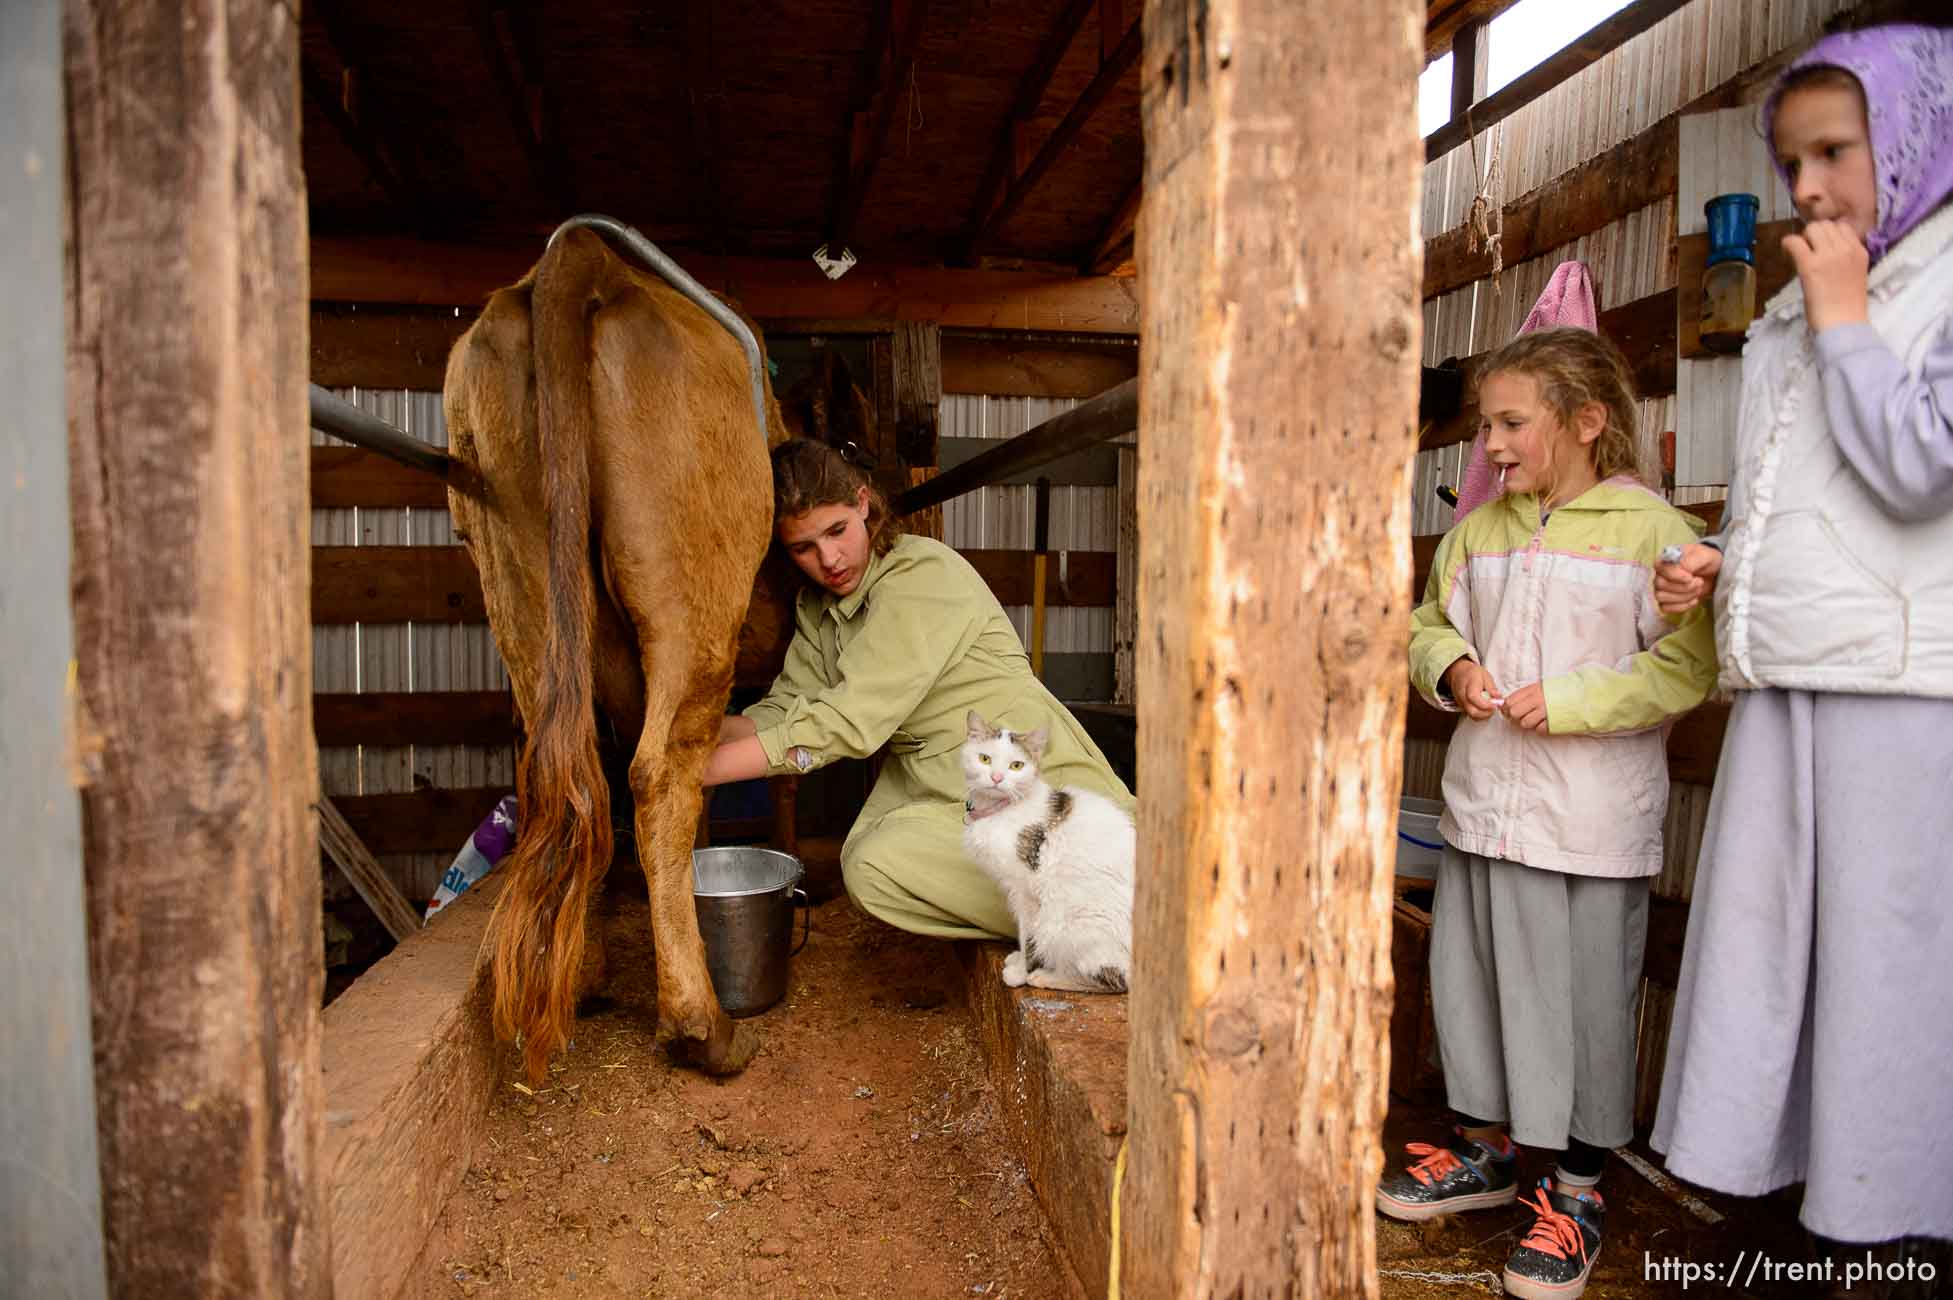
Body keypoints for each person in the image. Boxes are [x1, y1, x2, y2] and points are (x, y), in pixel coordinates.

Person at [1651, 23, 1953, 1252]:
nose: (1810, 188)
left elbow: (1923, 468)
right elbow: (1803, 479)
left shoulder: (1925, 280)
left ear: (1919, 136)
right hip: (1792, 668)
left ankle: (1897, 1227)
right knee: (1781, 960)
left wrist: (1840, 319)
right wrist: (1733, 561)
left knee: (1889, 977)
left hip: (1903, 682)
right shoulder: (1803, 300)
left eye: (1836, 151)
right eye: (1792, 163)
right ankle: (1823, 1218)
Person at [1385, 327, 1719, 1300]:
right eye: (1487, 422)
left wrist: (1570, 701)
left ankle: (1576, 1194)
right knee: (1475, 990)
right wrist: (1449, 665)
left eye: (1510, 422)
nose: (1489, 443)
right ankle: (1487, 1154)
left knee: (1579, 1016)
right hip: (1485, 807)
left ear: (1586, 420)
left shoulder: (1647, 531)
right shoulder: (1479, 530)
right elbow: (1428, 622)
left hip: (1587, 824)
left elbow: (1685, 667)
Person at [702, 438, 1132, 940]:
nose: (830, 558)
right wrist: (697, 735)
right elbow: (788, 709)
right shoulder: (817, 610)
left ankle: (1110, 910)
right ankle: (1080, 911)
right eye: (804, 548)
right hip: (939, 782)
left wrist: (701, 771)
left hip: (1023, 779)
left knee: (878, 861)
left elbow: (847, 724)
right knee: (869, 864)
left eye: (838, 531)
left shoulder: (918, 576)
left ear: (863, 504)